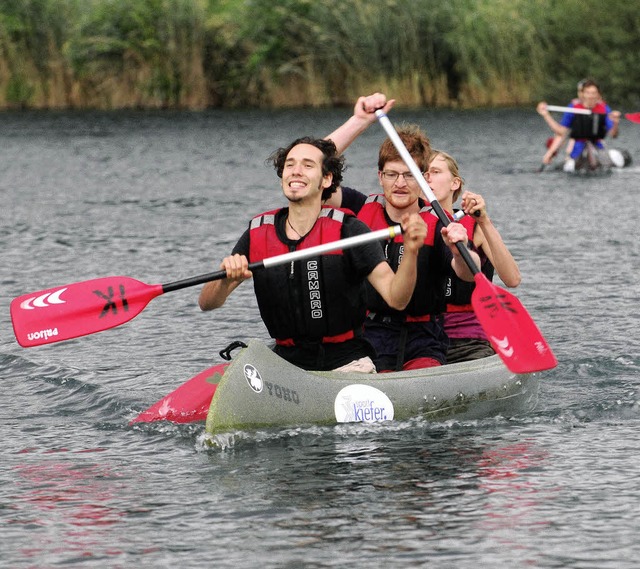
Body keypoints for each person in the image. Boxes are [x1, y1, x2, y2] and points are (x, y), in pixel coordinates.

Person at [198, 136, 431, 373]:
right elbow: (207, 303)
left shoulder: (350, 230)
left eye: (308, 165)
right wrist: (224, 281)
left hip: (347, 363)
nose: (296, 171)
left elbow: (396, 298)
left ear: (326, 179)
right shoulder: (258, 231)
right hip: (286, 362)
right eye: (290, 165)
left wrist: (411, 251)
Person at [325, 95, 480, 371]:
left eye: (409, 175)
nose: (399, 184)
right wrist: (359, 122)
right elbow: (317, 169)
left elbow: (469, 271)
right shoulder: (358, 208)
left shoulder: (438, 223)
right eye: (391, 174)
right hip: (367, 337)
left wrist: (460, 250)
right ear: (379, 176)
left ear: (422, 180)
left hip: (424, 339)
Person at [426, 150, 521, 362]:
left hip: (468, 338)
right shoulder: (411, 225)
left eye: (435, 171)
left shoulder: (474, 226)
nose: (428, 178)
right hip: (422, 335)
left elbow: (512, 279)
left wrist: (484, 221)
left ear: (455, 183)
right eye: (423, 173)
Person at [537, 79, 621, 172]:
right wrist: (546, 115)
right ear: (583, 94)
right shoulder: (573, 108)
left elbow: (613, 135)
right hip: (578, 148)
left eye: (593, 93)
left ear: (598, 95)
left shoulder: (604, 109)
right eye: (588, 93)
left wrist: (616, 123)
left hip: (597, 146)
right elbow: (561, 132)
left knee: (605, 163)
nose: (591, 96)